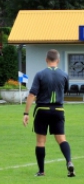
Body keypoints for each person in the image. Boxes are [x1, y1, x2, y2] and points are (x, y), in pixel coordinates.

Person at [23, 49, 75, 177]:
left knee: (41, 141)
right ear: (58, 60)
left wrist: (26, 113)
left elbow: (32, 94)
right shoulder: (64, 75)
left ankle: (41, 171)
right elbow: (65, 91)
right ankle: (69, 161)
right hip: (58, 110)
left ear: (46, 59)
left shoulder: (40, 74)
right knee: (62, 139)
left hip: (42, 110)